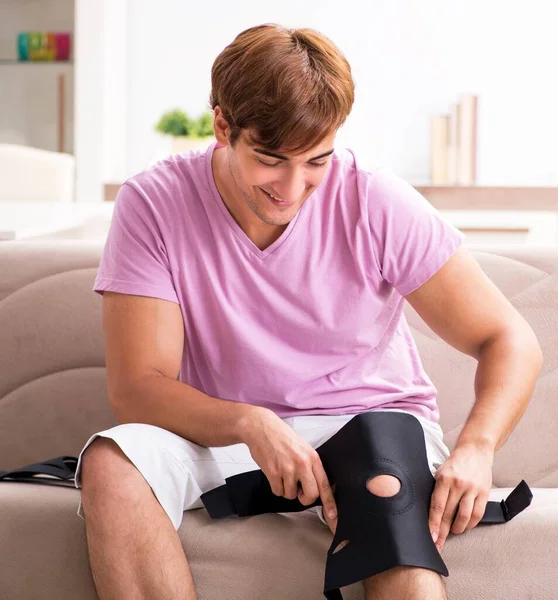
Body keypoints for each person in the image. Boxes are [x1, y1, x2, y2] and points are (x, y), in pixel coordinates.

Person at [74, 23, 543, 600]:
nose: (293, 188)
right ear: (223, 126)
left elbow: (507, 338)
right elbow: (138, 388)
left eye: (316, 161)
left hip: (368, 421)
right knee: (110, 464)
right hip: (223, 432)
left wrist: (477, 445)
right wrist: (249, 421)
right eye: (271, 160)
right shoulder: (153, 202)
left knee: (387, 500)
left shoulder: (374, 199)